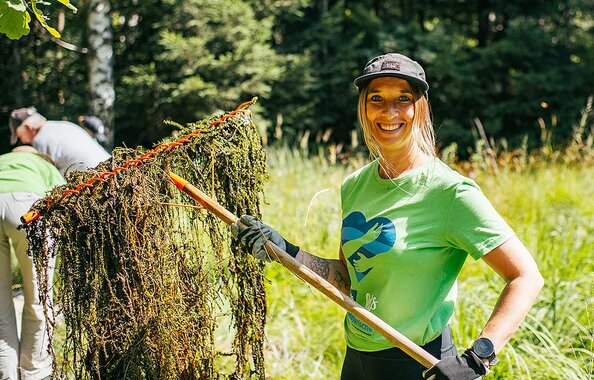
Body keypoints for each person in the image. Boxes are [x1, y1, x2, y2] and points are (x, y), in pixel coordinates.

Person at [231, 53, 544, 379]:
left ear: (418, 108)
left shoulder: (450, 192)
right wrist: (283, 249)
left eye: (403, 99)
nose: (389, 111)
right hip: (357, 361)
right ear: (364, 108)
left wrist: (479, 357)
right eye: (376, 98)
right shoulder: (355, 185)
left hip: (420, 365)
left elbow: (526, 277)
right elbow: (348, 277)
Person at [0, 146, 65, 380]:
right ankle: (34, 373)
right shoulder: (43, 165)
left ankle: (5, 374)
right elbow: (64, 196)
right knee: (38, 297)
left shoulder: (3, 159)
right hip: (26, 207)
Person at [8, 107, 111, 175]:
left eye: (20, 136)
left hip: (94, 178)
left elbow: (48, 176)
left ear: (28, 127)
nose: (23, 141)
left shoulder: (41, 139)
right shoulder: (63, 125)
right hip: (110, 168)